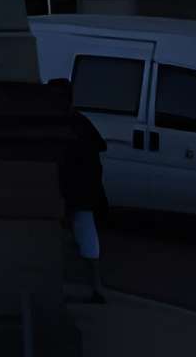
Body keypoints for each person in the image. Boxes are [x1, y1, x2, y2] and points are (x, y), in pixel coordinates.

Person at [59, 103, 111, 303]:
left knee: (64, 237)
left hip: (73, 192)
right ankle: (97, 287)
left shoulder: (66, 124)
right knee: (87, 238)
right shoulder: (81, 122)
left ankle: (62, 286)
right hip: (85, 191)